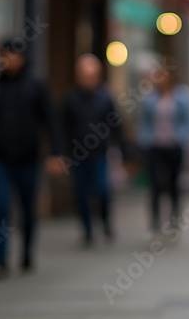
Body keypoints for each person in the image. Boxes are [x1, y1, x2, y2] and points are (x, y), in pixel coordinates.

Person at [0, 40, 63, 279]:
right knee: (1, 206)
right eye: (6, 56)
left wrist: (55, 153)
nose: (10, 60)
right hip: (0, 158)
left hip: (28, 158)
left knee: (27, 208)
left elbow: (49, 121)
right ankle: (1, 260)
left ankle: (27, 252)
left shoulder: (35, 86)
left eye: (14, 55)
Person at [61, 54, 121, 247]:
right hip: (77, 154)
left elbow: (115, 125)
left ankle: (105, 221)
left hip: (99, 153)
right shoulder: (71, 99)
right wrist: (62, 153)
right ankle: (87, 230)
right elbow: (63, 127)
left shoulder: (105, 99)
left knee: (102, 190)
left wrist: (125, 152)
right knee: (81, 193)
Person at [137, 64, 189, 234]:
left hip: (174, 145)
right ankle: (155, 222)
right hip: (155, 146)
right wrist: (144, 140)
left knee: (173, 184)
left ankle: (174, 219)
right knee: (155, 183)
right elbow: (144, 121)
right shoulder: (150, 98)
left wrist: (183, 137)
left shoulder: (182, 97)